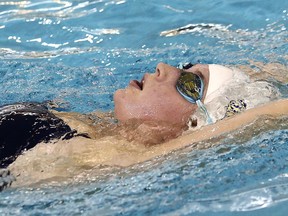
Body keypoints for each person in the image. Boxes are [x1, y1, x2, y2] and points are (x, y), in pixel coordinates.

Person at [1, 62, 287, 188]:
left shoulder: (101, 160)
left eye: (190, 83)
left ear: (195, 124)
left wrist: (274, 109)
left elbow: (254, 118)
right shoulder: (90, 126)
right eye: (184, 66)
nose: (164, 67)